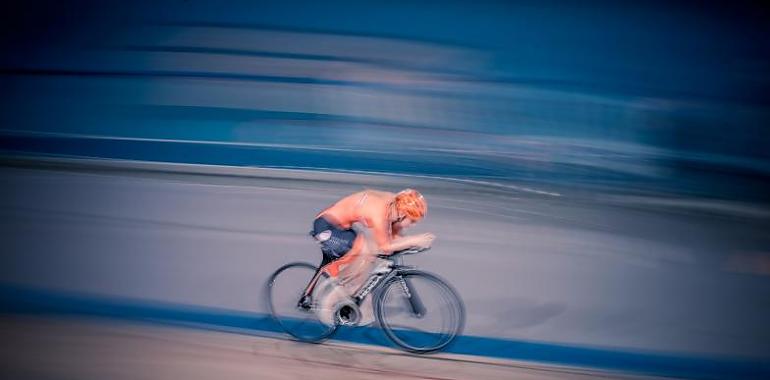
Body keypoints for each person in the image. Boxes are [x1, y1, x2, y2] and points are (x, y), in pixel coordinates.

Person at [299, 188, 434, 309]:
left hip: (341, 228)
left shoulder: (394, 206)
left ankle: (348, 288)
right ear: (402, 214)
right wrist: (413, 240)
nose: (413, 225)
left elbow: (395, 235)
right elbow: (385, 247)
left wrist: (411, 244)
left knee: (368, 251)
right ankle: (334, 297)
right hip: (326, 228)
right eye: (413, 220)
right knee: (364, 249)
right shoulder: (379, 212)